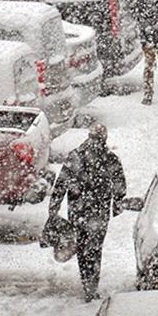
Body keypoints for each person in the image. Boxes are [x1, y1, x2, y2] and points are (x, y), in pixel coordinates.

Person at [45, 123, 126, 301]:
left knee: (83, 249)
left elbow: (62, 182)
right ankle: (91, 284)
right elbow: (119, 185)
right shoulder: (109, 159)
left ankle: (88, 283)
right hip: (97, 211)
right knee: (94, 249)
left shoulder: (76, 156)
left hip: (79, 210)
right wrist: (117, 205)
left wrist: (55, 206)